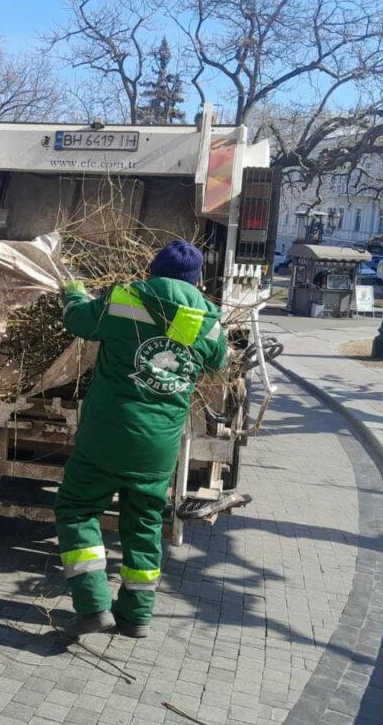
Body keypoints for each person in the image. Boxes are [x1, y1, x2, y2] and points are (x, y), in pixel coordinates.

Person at [55, 240, 228, 640]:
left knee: (78, 510)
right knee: (146, 525)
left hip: (107, 434)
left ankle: (94, 604)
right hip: (158, 448)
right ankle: (136, 616)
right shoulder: (205, 318)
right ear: (196, 280)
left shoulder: (127, 299)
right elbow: (220, 361)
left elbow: (79, 321)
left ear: (152, 271)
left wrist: (75, 292)